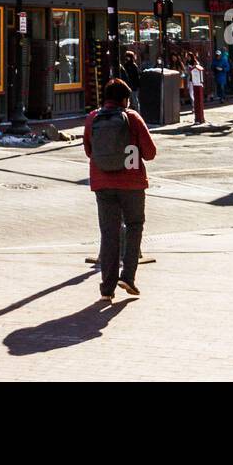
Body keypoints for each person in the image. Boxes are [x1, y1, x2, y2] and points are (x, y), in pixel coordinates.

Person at [84, 78, 157, 303]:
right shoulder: (133, 118)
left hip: (102, 183)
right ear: (125, 99)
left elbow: (88, 150)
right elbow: (150, 152)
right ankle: (128, 277)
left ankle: (107, 288)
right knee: (134, 226)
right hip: (132, 183)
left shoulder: (92, 118)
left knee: (109, 233)